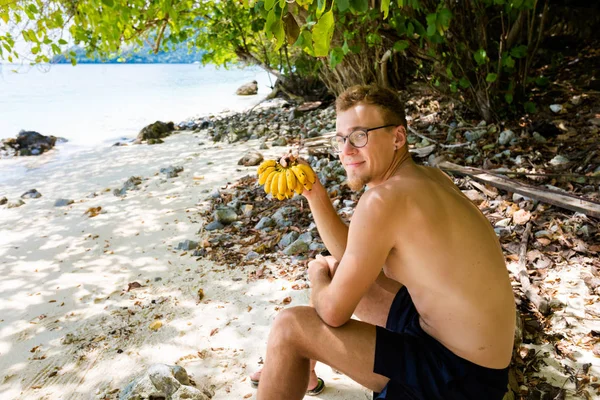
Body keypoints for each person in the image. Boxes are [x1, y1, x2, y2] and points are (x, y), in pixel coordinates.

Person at [250, 85, 516, 400]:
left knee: (290, 326)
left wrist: (316, 276)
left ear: (398, 137)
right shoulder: (430, 177)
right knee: (339, 270)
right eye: (341, 139)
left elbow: (333, 312)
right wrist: (314, 193)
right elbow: (353, 257)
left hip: (458, 380)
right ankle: (299, 370)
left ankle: (291, 354)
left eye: (360, 136)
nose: (346, 150)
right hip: (477, 361)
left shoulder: (383, 200)